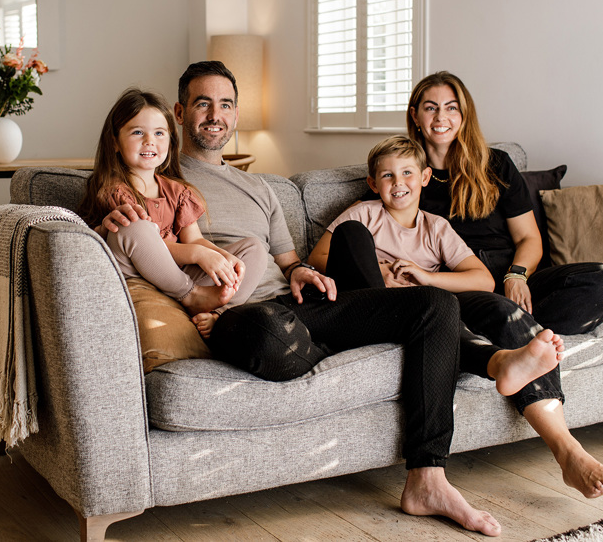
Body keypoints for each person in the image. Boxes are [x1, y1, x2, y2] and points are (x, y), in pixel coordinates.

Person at [103, 61, 503, 536]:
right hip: (239, 312)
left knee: (435, 304)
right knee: (271, 332)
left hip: (299, 306)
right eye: (203, 103)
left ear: (235, 114)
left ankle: (427, 477)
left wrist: (302, 272)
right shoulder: (157, 177)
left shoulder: (261, 186)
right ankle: (329, 346)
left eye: (226, 104)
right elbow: (138, 235)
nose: (216, 115)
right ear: (180, 112)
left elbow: (289, 258)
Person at [401, 70, 603, 498]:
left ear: (464, 114)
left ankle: (517, 335)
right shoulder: (409, 177)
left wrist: (518, 275)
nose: (441, 117)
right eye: (431, 107)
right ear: (415, 115)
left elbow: (529, 239)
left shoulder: (496, 165)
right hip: (462, 287)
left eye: (452, 107)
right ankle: (568, 452)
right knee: (503, 313)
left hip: (514, 278)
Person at [308, 135, 565, 402]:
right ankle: (500, 362)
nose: (398, 183)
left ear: (425, 177)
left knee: (445, 314)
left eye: (407, 173)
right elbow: (318, 257)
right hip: (370, 306)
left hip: (419, 310)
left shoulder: (437, 228)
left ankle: (506, 363)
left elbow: (484, 281)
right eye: (388, 176)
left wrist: (427, 277)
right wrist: (377, 271)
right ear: (373, 183)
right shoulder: (363, 214)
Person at [78, 87, 266, 320]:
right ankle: (191, 294)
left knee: (254, 249)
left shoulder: (178, 191)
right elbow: (153, 245)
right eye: (137, 132)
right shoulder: (114, 190)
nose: (149, 141)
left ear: (170, 140)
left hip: (179, 272)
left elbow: (194, 239)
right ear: (115, 142)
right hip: (140, 274)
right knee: (133, 225)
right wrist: (197, 254)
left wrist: (220, 257)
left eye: (159, 133)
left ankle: (219, 313)